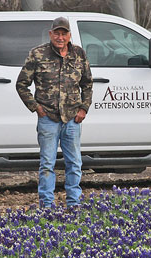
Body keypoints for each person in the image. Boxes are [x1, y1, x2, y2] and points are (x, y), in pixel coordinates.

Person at [16, 17, 93, 208]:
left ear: (69, 35)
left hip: (73, 118)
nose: (60, 37)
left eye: (64, 34)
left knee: (74, 164)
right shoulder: (37, 54)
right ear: (50, 34)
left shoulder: (79, 54)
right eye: (56, 33)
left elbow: (87, 84)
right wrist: (36, 107)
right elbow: (22, 84)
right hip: (48, 118)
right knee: (47, 164)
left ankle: (74, 204)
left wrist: (84, 108)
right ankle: (47, 206)